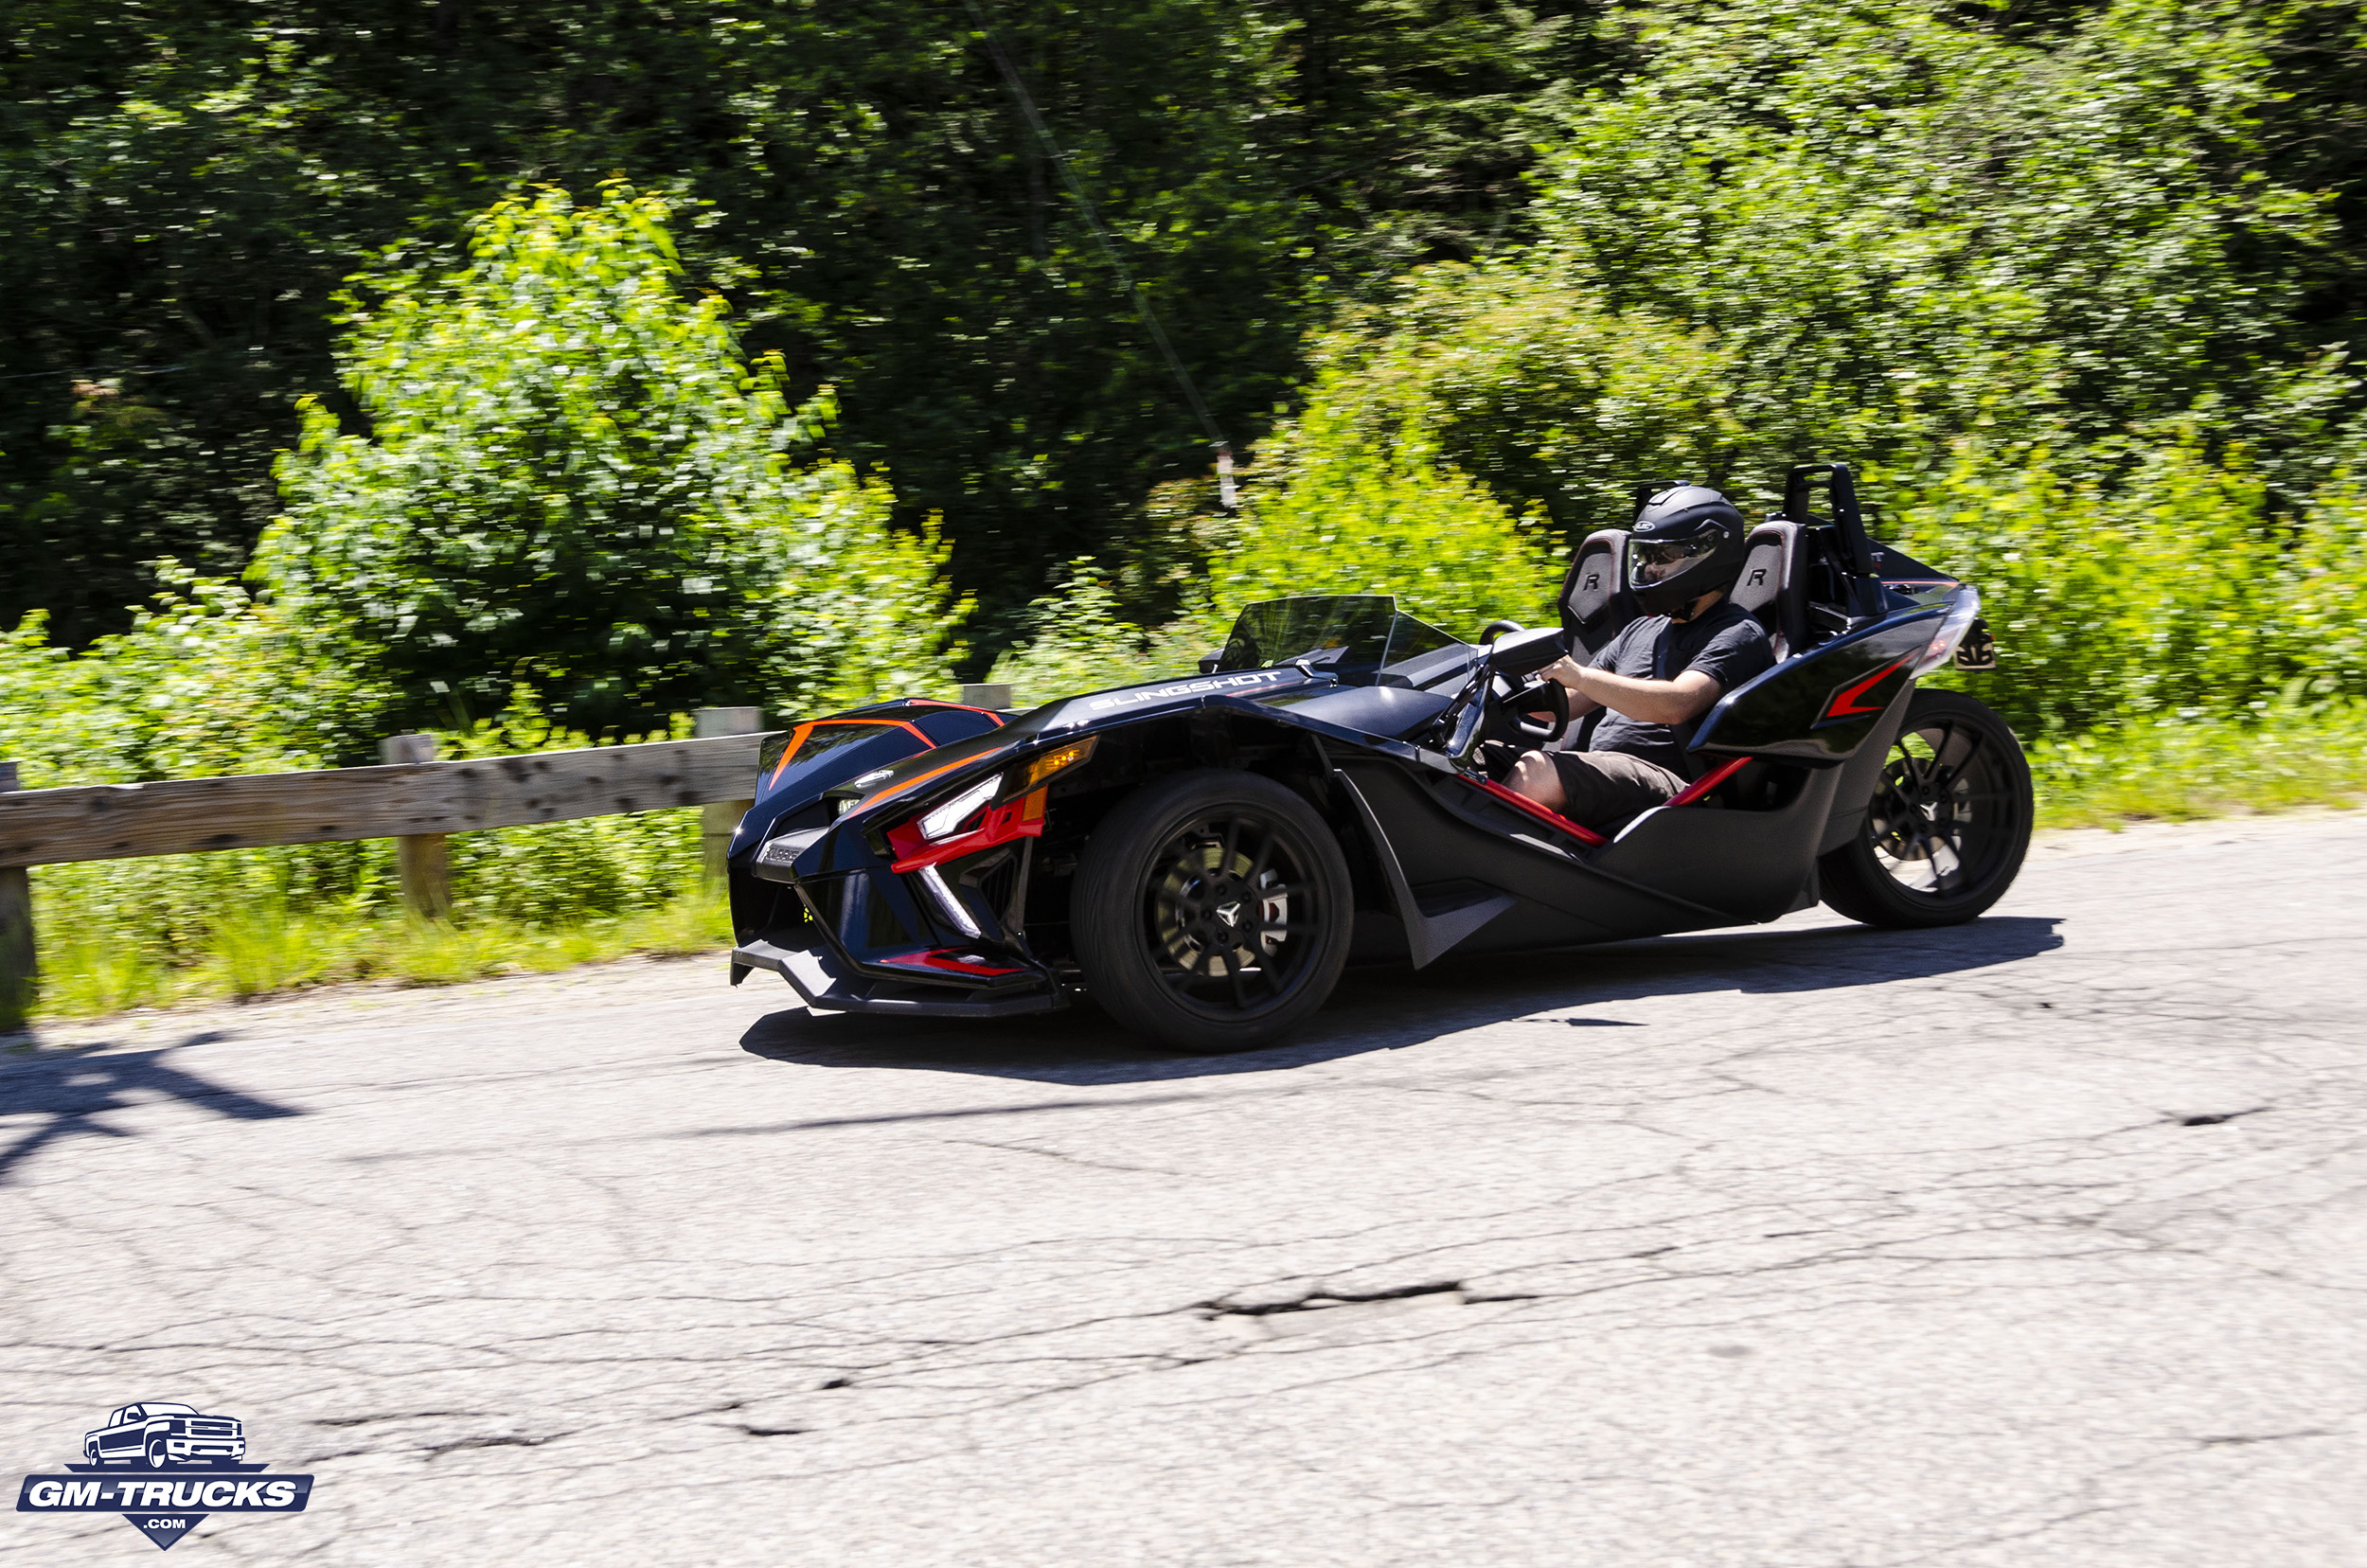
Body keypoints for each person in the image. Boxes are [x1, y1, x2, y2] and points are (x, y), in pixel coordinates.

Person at [1504, 484, 1773, 828]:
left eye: (1662, 557)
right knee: (1468, 761)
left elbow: (1678, 704)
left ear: (1708, 555)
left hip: (1675, 785)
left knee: (1538, 773)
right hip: (1604, 769)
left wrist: (1580, 675)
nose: (1648, 569)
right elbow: (1565, 705)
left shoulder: (1737, 632)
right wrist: (1501, 685)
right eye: (1644, 556)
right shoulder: (1641, 630)